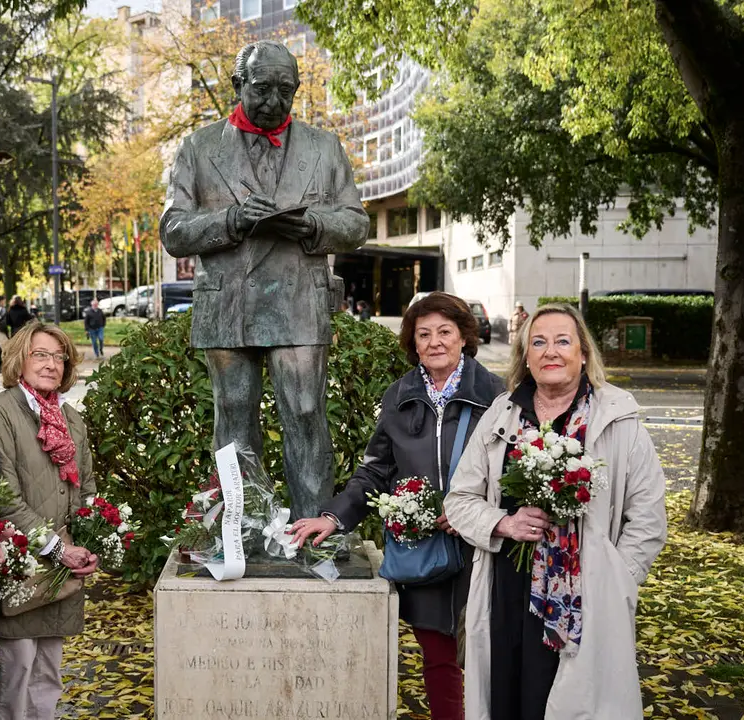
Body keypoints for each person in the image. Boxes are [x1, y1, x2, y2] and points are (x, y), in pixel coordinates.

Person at [160, 40, 370, 520]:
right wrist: (231, 220)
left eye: (285, 92)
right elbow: (173, 231)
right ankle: (244, 526)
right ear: (238, 85)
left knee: (304, 413)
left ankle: (312, 528)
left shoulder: (324, 147)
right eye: (261, 90)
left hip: (298, 299)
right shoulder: (197, 147)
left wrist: (315, 224)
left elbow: (356, 223)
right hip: (228, 303)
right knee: (233, 415)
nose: (273, 103)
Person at [444, 303, 667, 720]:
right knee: (508, 700)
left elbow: (649, 516)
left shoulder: (617, 418)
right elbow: (459, 500)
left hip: (585, 596)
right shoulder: (502, 414)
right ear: (525, 357)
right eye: (539, 342)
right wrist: (503, 523)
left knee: (574, 704)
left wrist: (617, 579)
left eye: (563, 341)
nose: (551, 351)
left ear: (583, 353)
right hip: (507, 590)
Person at [290, 292, 505, 720]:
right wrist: (333, 516)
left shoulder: (494, 394)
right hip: (421, 549)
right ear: (413, 344)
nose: (435, 342)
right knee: (438, 656)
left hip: (483, 546)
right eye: (423, 334)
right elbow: (374, 470)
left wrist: (473, 511)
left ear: (464, 336)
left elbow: (511, 470)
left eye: (445, 331)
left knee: (488, 655)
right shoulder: (400, 394)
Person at [0, 321, 99, 720]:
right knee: (19, 666)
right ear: (19, 359)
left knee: (49, 670)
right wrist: (58, 548)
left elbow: (87, 487)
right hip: (21, 562)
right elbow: (4, 496)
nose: (51, 364)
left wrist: (92, 539)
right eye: (40, 355)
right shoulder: (0, 413)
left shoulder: (70, 418)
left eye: (59, 357)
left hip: (63, 565)